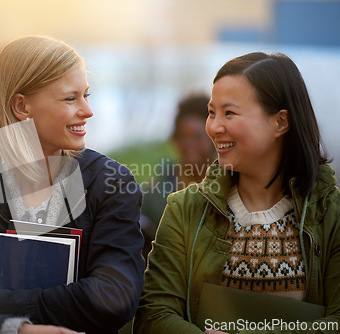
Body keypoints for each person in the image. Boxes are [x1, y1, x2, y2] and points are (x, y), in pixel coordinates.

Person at [0, 36, 145, 334]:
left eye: (87, 95)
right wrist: (18, 330)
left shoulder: (110, 183)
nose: (88, 111)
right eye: (70, 98)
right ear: (22, 106)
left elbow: (115, 297)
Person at [133, 52, 340, 333]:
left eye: (229, 113)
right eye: (211, 112)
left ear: (280, 122)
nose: (214, 128)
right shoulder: (185, 208)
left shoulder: (332, 215)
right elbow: (153, 315)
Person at [139, 93, 215, 257]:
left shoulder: (227, 177)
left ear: (213, 138)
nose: (189, 145)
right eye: (183, 137)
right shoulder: (164, 179)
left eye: (197, 137)